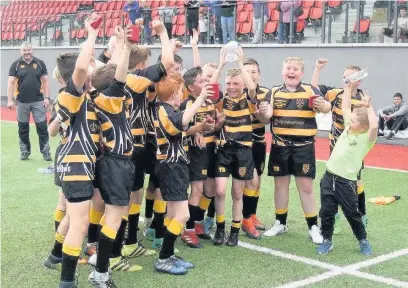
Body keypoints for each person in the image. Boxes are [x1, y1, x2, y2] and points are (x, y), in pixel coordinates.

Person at [260, 57, 331, 244]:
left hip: (303, 148)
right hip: (280, 147)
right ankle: (280, 223)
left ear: (302, 73)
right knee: (280, 186)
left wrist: (323, 105)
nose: (291, 72)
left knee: (306, 187)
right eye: (288, 68)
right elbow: (266, 118)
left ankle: (313, 226)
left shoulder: (310, 90)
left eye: (295, 69)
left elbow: (326, 107)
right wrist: (263, 112)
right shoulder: (274, 91)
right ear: (282, 71)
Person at [153, 72, 213, 274]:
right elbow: (183, 120)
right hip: (171, 166)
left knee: (172, 213)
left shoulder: (166, 109)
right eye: (179, 92)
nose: (182, 95)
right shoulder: (164, 110)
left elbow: (183, 126)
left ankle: (167, 254)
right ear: (172, 95)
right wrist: (201, 98)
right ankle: (163, 258)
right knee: (182, 215)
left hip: (173, 165)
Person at [311, 60, 370, 234]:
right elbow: (314, 89)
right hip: (335, 147)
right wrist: (318, 69)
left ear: (358, 80)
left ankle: (362, 215)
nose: (345, 80)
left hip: (354, 150)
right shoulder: (336, 93)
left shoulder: (362, 100)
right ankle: (333, 217)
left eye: (349, 77)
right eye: (344, 77)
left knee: (356, 183)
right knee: (332, 183)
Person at [317, 84, 376, 256]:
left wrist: (368, 107)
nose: (349, 121)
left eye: (354, 120)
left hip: (346, 182)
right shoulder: (348, 130)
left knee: (352, 213)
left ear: (362, 127)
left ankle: (362, 240)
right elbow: (344, 106)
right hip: (329, 177)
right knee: (327, 212)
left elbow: (373, 126)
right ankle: (327, 241)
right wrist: (349, 88)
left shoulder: (367, 139)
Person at [210, 47, 258, 247]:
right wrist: (221, 65)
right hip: (224, 150)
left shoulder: (249, 100)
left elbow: (252, 87)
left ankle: (235, 231)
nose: (231, 87)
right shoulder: (222, 101)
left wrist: (240, 63)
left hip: (243, 152)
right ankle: (220, 228)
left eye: (235, 83)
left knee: (237, 193)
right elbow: (211, 87)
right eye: (228, 83)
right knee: (220, 191)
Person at [241, 58, 271, 238]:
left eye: (254, 71)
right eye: (247, 71)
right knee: (245, 182)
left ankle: (251, 215)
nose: (251, 75)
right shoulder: (234, 90)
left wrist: (261, 115)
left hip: (258, 141)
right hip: (239, 143)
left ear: (259, 74)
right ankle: (243, 218)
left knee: (257, 180)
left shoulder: (266, 93)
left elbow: (268, 119)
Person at [7, 41, 52, 161]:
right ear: (21, 51)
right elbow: (11, 83)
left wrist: (47, 98)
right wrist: (10, 100)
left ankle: (46, 152)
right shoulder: (15, 65)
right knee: (23, 128)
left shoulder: (40, 63)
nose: (27, 52)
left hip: (38, 101)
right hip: (21, 102)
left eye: (29, 50)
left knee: (42, 127)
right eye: (24, 50)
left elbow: (46, 81)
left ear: (32, 50)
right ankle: (25, 151)